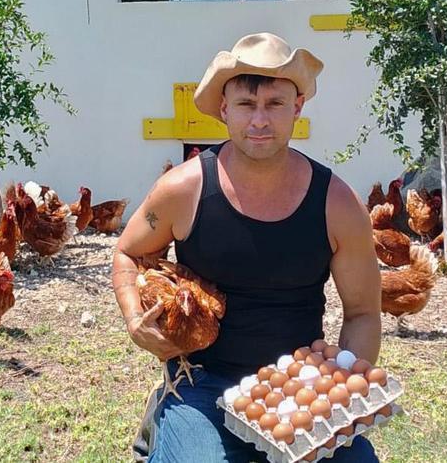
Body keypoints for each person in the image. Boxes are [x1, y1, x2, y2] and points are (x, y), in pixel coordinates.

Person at [112, 32, 382, 462]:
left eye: (275, 104)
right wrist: (133, 318)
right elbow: (127, 252)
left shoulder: (336, 204)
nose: (260, 120)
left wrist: (336, 389)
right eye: (246, 104)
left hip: (300, 384)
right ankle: (166, 420)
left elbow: (364, 312)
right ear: (224, 110)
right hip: (202, 382)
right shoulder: (185, 190)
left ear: (297, 108)